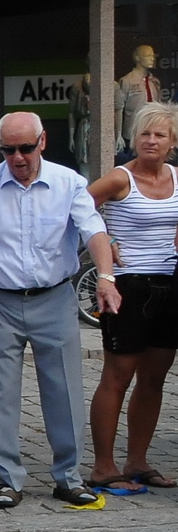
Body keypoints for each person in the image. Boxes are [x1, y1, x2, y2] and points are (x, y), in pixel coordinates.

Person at [0, 113, 111, 509]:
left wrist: (105, 276)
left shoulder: (69, 183)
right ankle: (7, 480)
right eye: (8, 149)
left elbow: (94, 231)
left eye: (25, 148)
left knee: (64, 389)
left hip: (54, 297)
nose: (18, 157)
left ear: (43, 141)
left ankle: (68, 477)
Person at [86, 102, 178, 491]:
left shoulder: (176, 177)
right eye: (145, 133)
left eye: (159, 134)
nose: (151, 141)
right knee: (117, 376)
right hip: (128, 287)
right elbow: (79, 210)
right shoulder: (120, 179)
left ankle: (138, 461)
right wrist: (108, 241)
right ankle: (103, 467)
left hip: (170, 285)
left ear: (172, 142)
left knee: (154, 378)